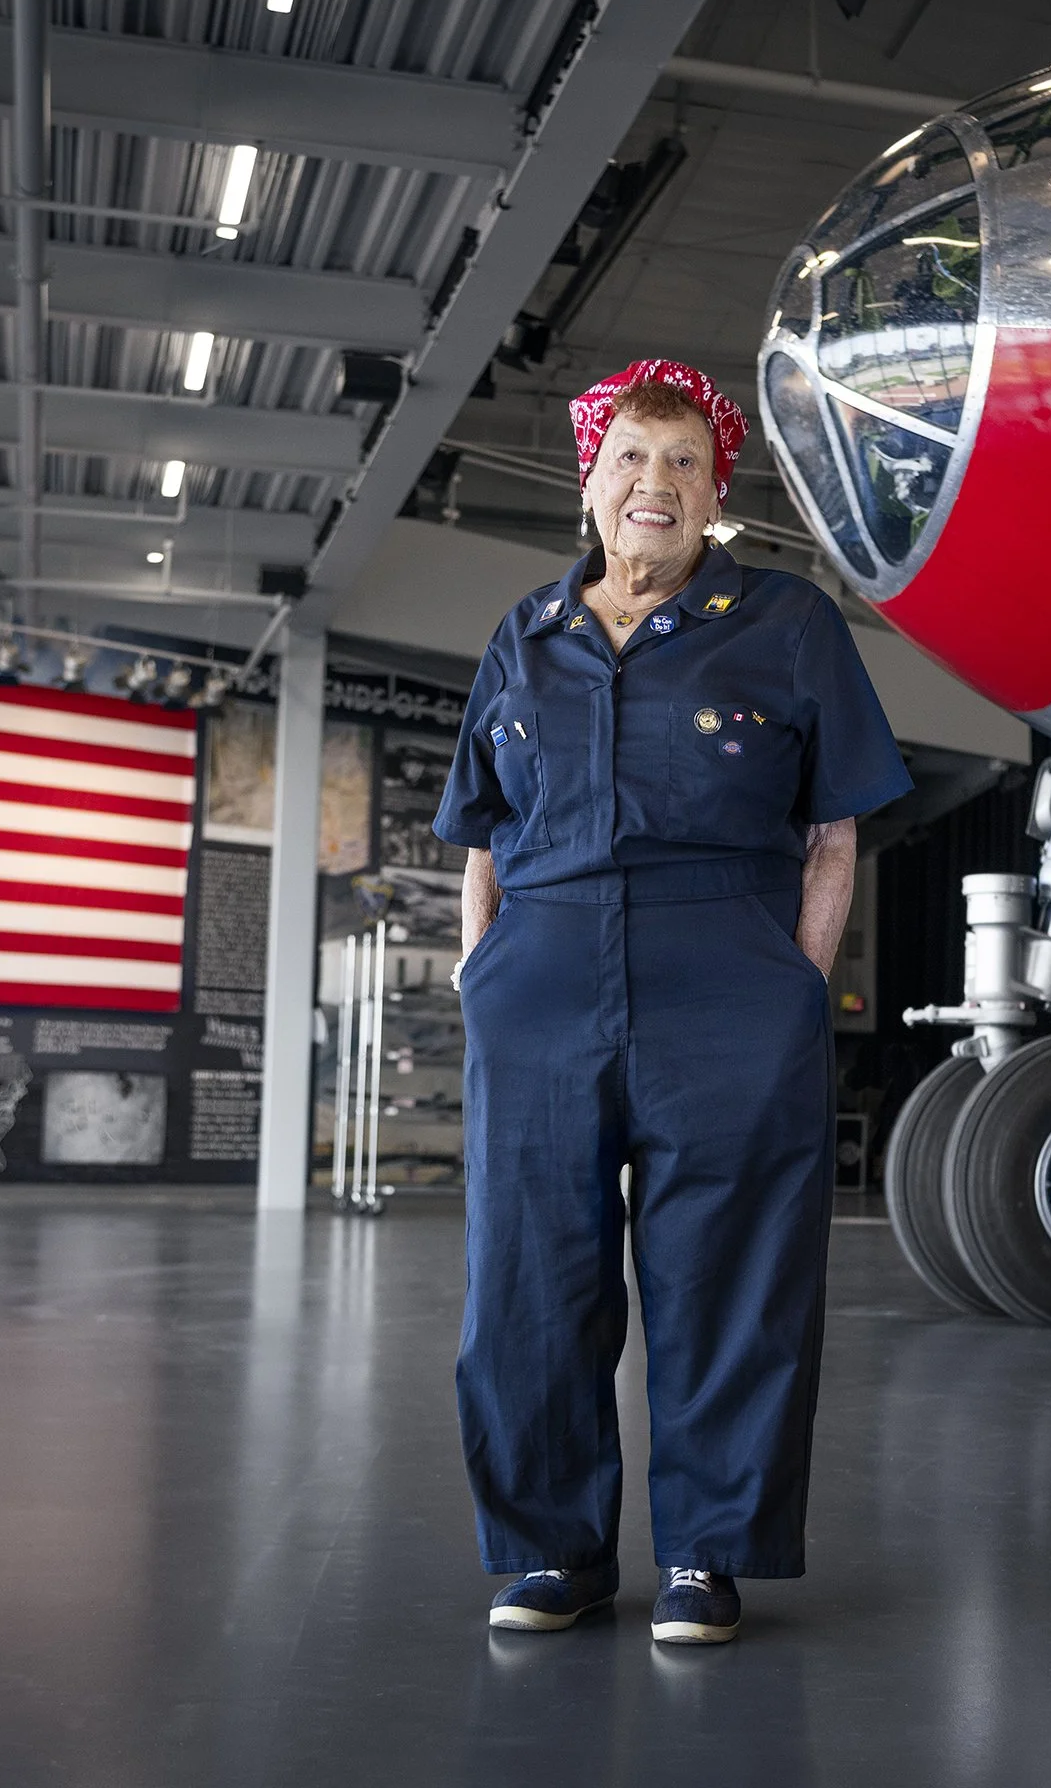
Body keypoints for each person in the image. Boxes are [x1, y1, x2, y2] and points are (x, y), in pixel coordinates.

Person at [433, 358, 912, 1645]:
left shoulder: (789, 624)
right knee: (530, 1275)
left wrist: (791, 989)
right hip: (541, 966)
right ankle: (553, 1553)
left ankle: (706, 1553)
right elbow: (479, 833)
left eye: (686, 465)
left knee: (730, 1275)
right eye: (635, 460)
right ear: (591, 483)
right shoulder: (523, 635)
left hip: (729, 975)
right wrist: (483, 972)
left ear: (717, 497)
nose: (659, 484)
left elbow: (832, 834)